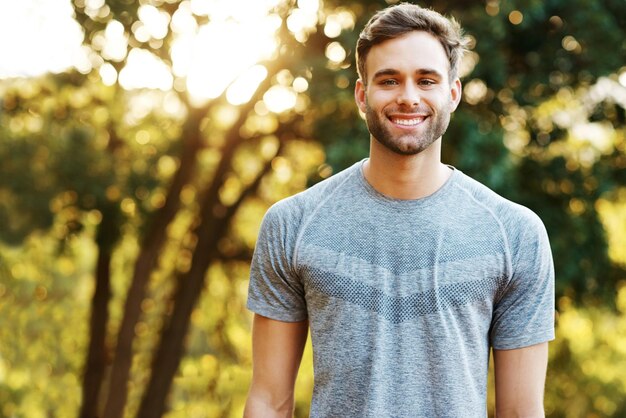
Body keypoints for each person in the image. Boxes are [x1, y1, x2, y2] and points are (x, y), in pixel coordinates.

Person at [244, 3, 555, 417]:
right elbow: (268, 401)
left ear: (453, 93)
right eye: (389, 80)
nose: (409, 97)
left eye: (426, 80)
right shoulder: (292, 225)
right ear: (362, 94)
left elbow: (520, 412)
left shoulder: (515, 234)